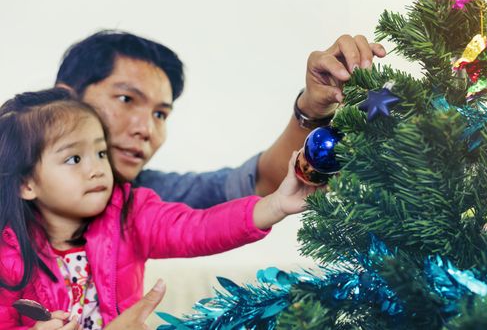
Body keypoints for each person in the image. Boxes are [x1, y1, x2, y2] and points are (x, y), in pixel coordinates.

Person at [0, 88, 315, 329]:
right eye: (74, 159)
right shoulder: (7, 254)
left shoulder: (130, 212)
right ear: (26, 184)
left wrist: (275, 205)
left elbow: (199, 227)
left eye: (99, 152)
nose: (97, 168)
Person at [55, 30, 386, 207]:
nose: (146, 129)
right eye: (126, 99)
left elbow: (260, 184)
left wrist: (313, 108)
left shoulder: (144, 198)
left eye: (160, 114)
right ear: (64, 98)